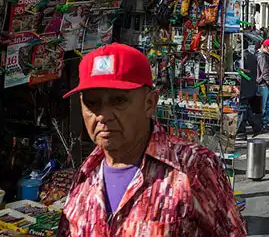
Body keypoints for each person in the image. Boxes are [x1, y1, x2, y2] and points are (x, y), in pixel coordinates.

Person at [57, 44, 245, 236]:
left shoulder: (193, 167)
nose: (102, 116)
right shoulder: (85, 175)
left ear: (149, 103)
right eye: (91, 103)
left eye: (119, 101)